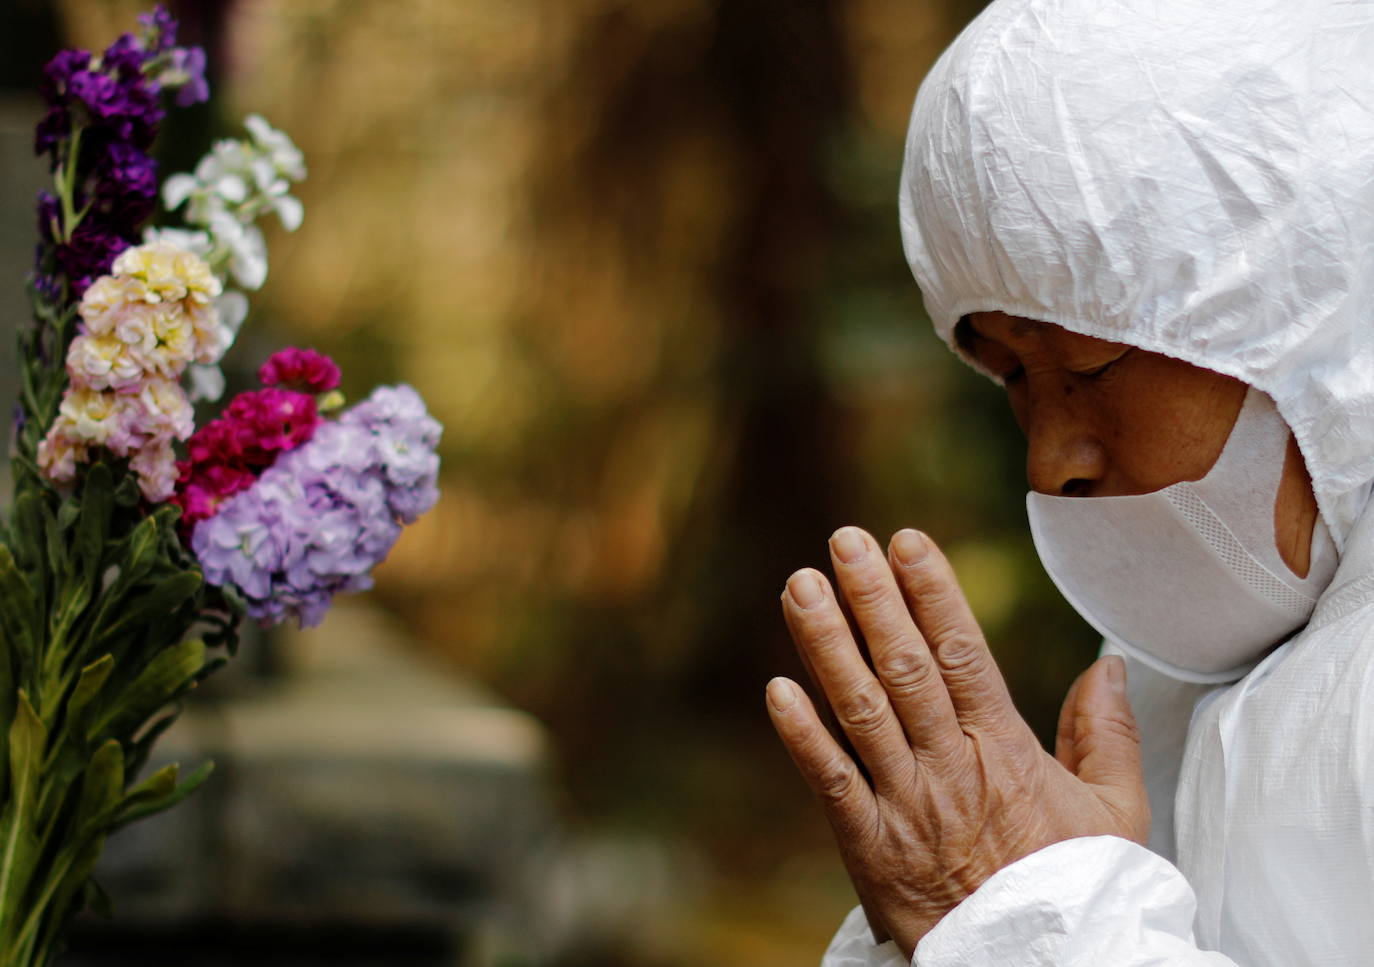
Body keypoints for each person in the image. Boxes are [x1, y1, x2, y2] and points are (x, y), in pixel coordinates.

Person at [766, 1, 1374, 964]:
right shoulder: (1170, 673)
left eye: (1087, 363)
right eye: (1009, 376)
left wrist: (1014, 912)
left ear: (1304, 307)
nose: (1048, 459)